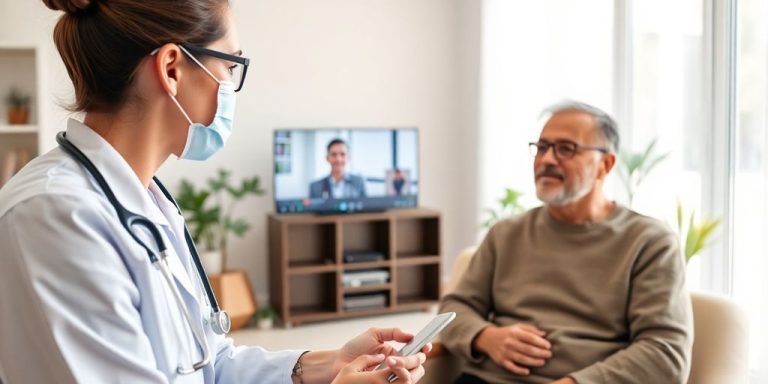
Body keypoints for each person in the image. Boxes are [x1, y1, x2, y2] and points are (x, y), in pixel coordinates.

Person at [0, 1, 429, 383]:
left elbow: (210, 365)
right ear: (172, 69)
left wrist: (327, 364)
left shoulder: (148, 201)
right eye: (230, 66)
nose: (231, 87)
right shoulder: (56, 217)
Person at [438, 101, 693, 384]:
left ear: (605, 165)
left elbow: (665, 352)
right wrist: (486, 337)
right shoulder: (506, 233)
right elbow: (453, 308)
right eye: (542, 147)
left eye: (565, 148)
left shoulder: (649, 241)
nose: (547, 159)